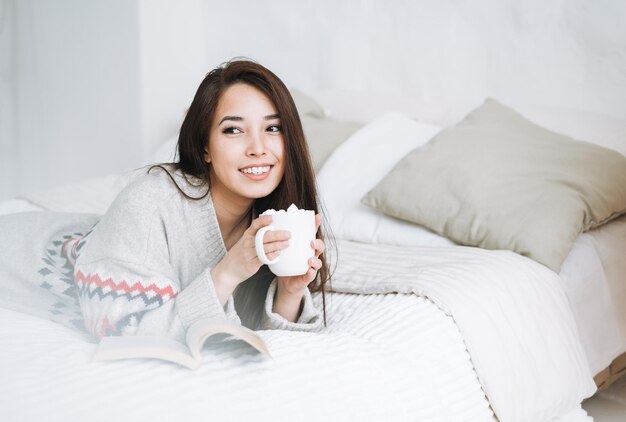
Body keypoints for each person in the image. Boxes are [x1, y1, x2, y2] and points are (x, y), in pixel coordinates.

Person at [71, 59, 329, 341]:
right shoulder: (149, 202)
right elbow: (120, 331)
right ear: (205, 146)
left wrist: (289, 292)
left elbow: (264, 336)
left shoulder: (269, 219)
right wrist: (228, 272)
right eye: (233, 130)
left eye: (272, 129)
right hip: (31, 264)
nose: (258, 149)